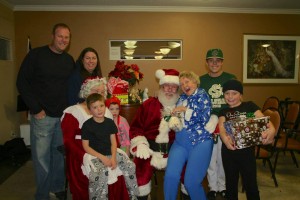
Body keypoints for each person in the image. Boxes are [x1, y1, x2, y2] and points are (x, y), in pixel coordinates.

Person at [16, 23, 74, 200]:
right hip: (43, 116)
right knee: (41, 159)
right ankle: (42, 194)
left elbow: (72, 87)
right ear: (52, 36)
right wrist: (36, 108)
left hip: (62, 117)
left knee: (58, 156)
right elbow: (22, 82)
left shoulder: (68, 60)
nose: (63, 40)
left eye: (67, 37)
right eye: (60, 36)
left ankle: (57, 188)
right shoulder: (36, 55)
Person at [219, 79, 276, 200]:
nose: (230, 96)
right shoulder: (224, 111)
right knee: (230, 185)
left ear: (241, 95)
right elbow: (221, 127)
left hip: (247, 153)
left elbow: (262, 119)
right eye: (227, 93)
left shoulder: (249, 107)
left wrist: (272, 129)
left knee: (251, 185)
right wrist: (224, 138)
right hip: (229, 152)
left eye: (234, 93)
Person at [61, 76, 116, 200]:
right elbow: (68, 141)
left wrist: (113, 154)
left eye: (102, 92)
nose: (99, 94)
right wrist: (84, 156)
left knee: (123, 166)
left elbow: (112, 135)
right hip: (81, 152)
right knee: (96, 172)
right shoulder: (73, 112)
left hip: (105, 148)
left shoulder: (105, 110)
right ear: (86, 92)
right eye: (95, 91)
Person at [129, 69, 181, 200]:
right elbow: (136, 127)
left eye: (173, 87)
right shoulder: (148, 105)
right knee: (140, 171)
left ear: (178, 89)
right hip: (150, 149)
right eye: (166, 86)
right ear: (161, 86)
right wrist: (140, 144)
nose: (169, 90)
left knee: (187, 172)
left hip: (175, 150)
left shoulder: (183, 105)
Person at [164, 71, 213, 200]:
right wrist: (171, 118)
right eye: (181, 84)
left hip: (200, 142)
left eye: (187, 82)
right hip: (180, 142)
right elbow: (178, 118)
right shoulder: (182, 98)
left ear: (195, 81)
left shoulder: (202, 95)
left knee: (191, 182)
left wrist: (185, 110)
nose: (184, 85)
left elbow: (203, 118)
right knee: (170, 176)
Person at [82, 93, 139, 199]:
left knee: (131, 166)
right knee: (100, 174)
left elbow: (114, 143)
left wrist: (113, 157)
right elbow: (86, 147)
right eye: (95, 107)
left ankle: (133, 195)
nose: (99, 110)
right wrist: (102, 157)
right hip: (95, 155)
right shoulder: (87, 125)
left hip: (111, 151)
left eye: (101, 106)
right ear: (89, 110)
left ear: (105, 106)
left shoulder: (109, 122)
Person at [200, 48, 237, 200]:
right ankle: (212, 187)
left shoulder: (231, 78)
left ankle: (223, 186)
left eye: (218, 60)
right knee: (210, 158)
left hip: (227, 123)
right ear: (207, 62)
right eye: (211, 60)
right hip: (208, 124)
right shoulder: (201, 80)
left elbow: (236, 100)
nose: (214, 63)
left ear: (222, 62)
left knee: (224, 158)